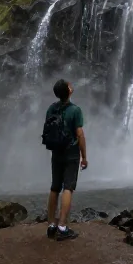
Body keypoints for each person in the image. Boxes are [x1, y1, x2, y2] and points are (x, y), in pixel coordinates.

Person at [43, 79, 87, 241]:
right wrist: (85, 157)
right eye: (69, 85)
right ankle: (62, 226)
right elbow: (80, 134)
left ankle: (51, 224)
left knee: (55, 187)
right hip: (71, 153)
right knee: (68, 187)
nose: (71, 85)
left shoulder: (51, 108)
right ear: (68, 91)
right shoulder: (75, 110)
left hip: (56, 153)